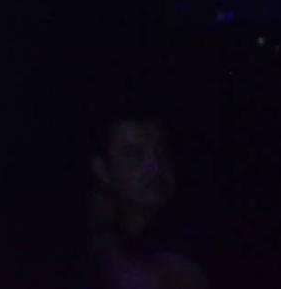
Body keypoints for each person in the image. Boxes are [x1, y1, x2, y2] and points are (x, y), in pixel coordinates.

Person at [85, 115, 208, 289]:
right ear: (103, 169)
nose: (155, 166)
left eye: (161, 151)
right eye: (135, 155)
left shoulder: (195, 231)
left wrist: (102, 233)